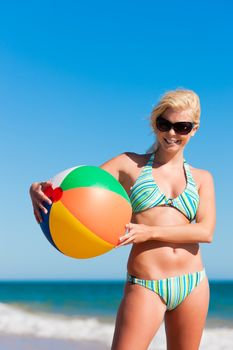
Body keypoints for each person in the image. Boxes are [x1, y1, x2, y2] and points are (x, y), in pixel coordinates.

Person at [29, 89, 216, 350]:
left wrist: (147, 232)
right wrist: (36, 187)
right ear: (155, 124)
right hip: (146, 283)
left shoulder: (203, 178)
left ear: (193, 129)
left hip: (193, 282)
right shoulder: (128, 164)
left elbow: (205, 232)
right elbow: (79, 188)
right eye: (165, 124)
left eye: (181, 127)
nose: (172, 133)